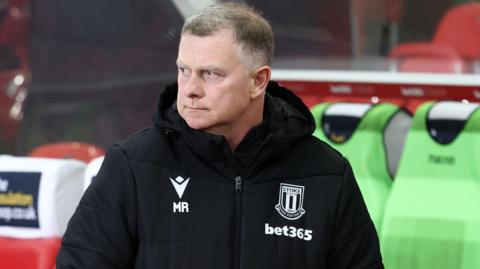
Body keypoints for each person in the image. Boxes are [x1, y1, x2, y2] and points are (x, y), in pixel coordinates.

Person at [56, 3, 383, 268]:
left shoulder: (325, 174)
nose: (191, 90)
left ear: (259, 81)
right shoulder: (132, 165)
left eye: (211, 74)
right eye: (184, 70)